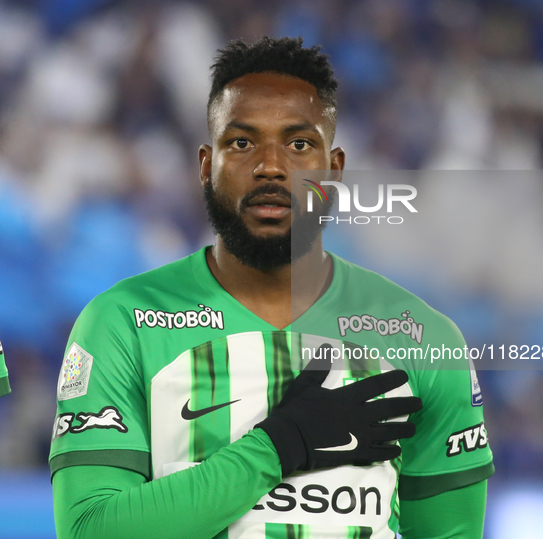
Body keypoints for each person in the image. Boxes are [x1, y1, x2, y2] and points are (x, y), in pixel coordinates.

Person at [50, 37, 493, 538]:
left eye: (299, 144)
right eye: (241, 142)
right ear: (204, 166)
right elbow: (89, 530)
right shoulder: (123, 322)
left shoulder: (424, 339)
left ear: (335, 169)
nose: (271, 166)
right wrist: (280, 445)